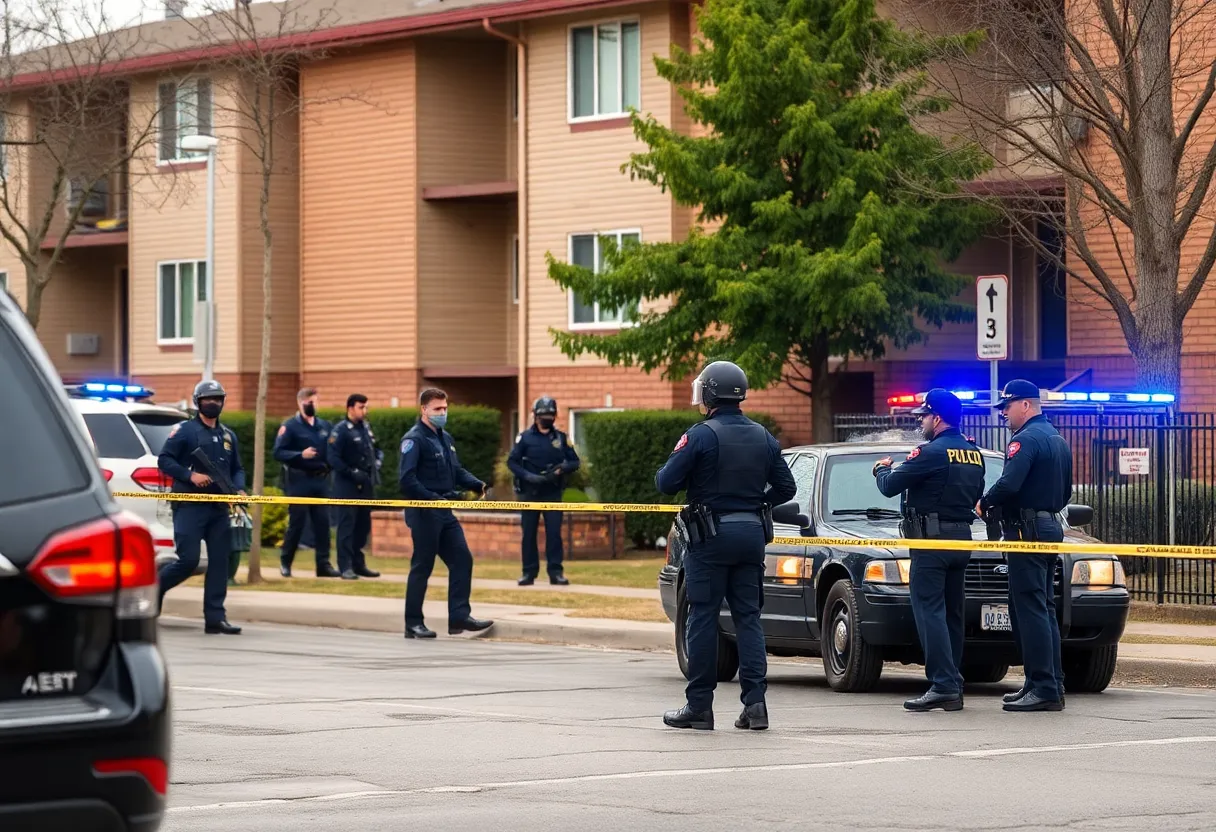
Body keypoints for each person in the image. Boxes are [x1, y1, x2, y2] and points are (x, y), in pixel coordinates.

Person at [656, 361, 797, 731]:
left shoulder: (700, 435)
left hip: (711, 537)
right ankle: (756, 706)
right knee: (748, 619)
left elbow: (666, 483)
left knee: (702, 617)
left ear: (711, 392)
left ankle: (699, 706)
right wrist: (756, 503)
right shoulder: (763, 436)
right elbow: (786, 488)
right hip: (751, 536)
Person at [872, 389, 986, 712]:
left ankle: (943, 684)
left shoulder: (931, 452)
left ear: (936, 418)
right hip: (961, 540)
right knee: (952, 614)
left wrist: (881, 469)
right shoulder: (973, 453)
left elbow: (890, 486)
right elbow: (977, 493)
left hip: (930, 543)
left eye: (923, 416)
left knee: (929, 612)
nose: (920, 421)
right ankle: (953, 681)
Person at [981, 379, 1072, 712]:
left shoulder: (1025, 440)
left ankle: (1044, 687)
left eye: (1007, 406)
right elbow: (1066, 493)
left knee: (1030, 610)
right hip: (1048, 526)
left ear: (1025, 405)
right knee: (1043, 607)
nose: (1003, 413)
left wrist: (985, 502)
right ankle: (1045, 681)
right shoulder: (1056, 438)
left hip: (1026, 531)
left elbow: (1009, 482)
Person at [399, 388, 494, 639]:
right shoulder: (414, 439)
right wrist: (433, 498)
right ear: (424, 410)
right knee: (422, 565)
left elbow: (456, 470)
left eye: (445, 408)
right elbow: (407, 480)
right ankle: (413, 623)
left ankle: (459, 617)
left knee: (462, 558)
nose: (443, 413)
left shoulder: (445, 438)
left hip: (444, 511)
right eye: (437, 409)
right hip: (424, 511)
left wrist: (476, 484)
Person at [157, 379, 245, 635]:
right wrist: (189, 475)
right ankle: (153, 590)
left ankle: (215, 618)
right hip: (190, 504)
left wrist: (239, 490)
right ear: (198, 402)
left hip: (218, 508)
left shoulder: (228, 435)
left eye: (218, 399)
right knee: (189, 560)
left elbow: (237, 468)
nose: (213, 403)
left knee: (220, 562)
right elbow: (165, 460)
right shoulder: (184, 431)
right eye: (208, 399)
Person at [507, 396, 581, 586]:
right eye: (543, 414)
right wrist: (528, 476)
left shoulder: (561, 438)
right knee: (529, 534)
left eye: (550, 414)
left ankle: (555, 572)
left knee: (554, 534)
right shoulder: (525, 438)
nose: (547, 417)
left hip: (552, 492)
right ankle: (528, 573)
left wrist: (560, 469)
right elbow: (512, 462)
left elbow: (574, 462)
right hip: (529, 492)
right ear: (535, 415)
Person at [274, 387, 341, 578]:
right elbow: (278, 452)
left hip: (320, 480)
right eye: (310, 402)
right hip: (299, 479)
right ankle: (286, 562)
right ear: (300, 403)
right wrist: (299, 455)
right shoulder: (290, 426)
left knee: (322, 524)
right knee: (297, 523)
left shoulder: (324, 425)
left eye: (316, 402)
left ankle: (323, 565)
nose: (313, 406)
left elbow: (332, 449)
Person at [327, 393, 382, 581]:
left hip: (365, 484)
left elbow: (377, 448)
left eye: (366, 407)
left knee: (362, 526)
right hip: (347, 485)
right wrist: (350, 472)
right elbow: (333, 457)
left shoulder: (365, 428)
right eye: (361, 407)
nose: (364, 410)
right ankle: (345, 567)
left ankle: (359, 564)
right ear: (350, 408)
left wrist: (377, 463)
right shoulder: (341, 430)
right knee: (346, 527)